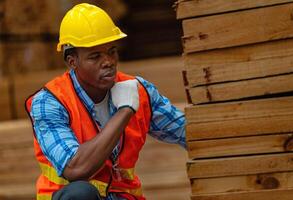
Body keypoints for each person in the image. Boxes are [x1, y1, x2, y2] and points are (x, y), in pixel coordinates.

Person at [25, 3, 186, 200]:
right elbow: (76, 169)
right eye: (95, 56)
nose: (108, 61)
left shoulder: (138, 90)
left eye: (111, 51)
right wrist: (125, 111)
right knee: (81, 193)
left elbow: (188, 132)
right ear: (72, 62)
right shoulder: (50, 102)